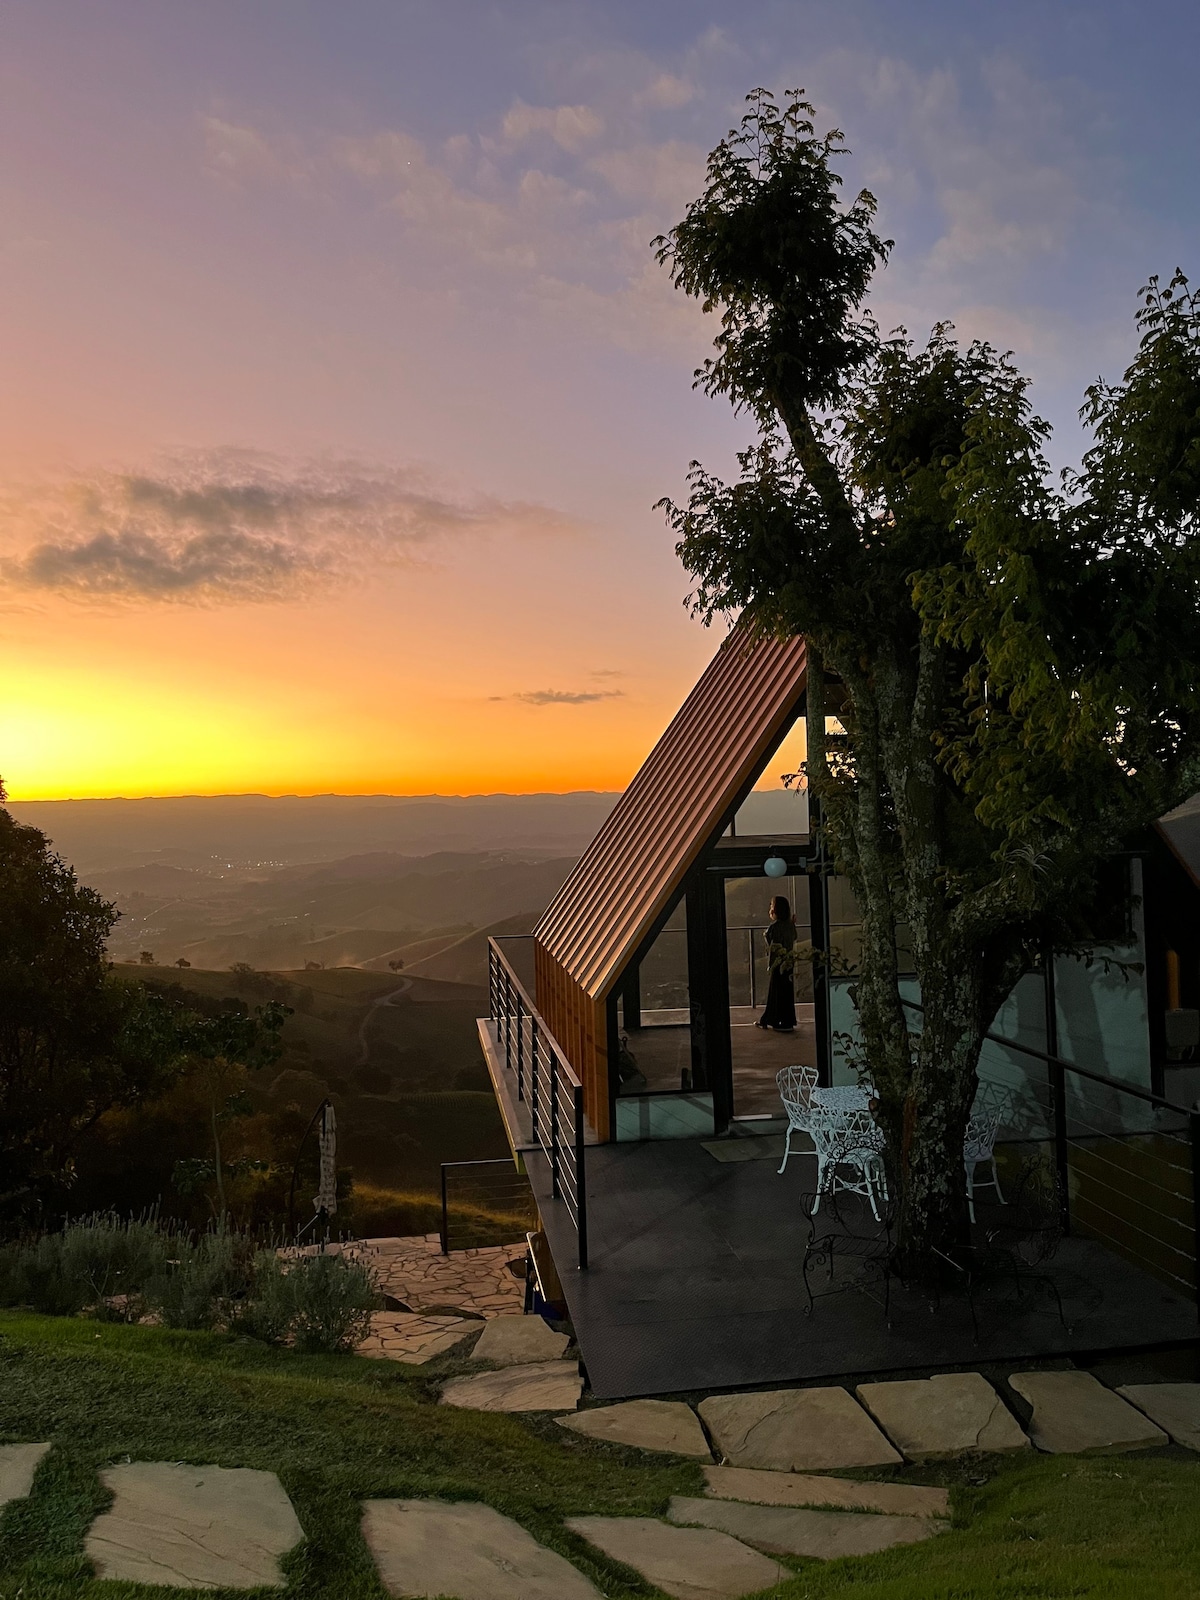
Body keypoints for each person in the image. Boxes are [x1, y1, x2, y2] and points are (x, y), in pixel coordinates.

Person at [756, 895, 797, 1032]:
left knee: (775, 993)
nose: (770, 909)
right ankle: (785, 1020)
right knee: (786, 993)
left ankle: (773, 1020)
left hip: (778, 964)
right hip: (789, 963)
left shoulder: (774, 927)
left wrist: (771, 965)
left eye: (771, 906)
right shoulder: (789, 926)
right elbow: (794, 937)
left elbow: (771, 945)